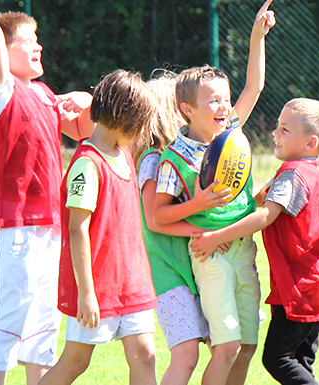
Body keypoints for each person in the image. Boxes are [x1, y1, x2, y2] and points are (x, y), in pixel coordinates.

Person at [0, 1, 94, 384]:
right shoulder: (1, 89)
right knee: (9, 313)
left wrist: (89, 100)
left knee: (44, 319)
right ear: (5, 50)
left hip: (49, 224)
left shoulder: (46, 94)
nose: (38, 47)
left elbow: (89, 129)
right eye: (29, 41)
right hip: (11, 221)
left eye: (38, 40)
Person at [149, 1, 276, 383]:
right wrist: (198, 206)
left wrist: (257, 37)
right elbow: (157, 216)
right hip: (210, 253)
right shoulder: (176, 157)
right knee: (226, 347)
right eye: (214, 100)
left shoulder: (228, 134)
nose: (224, 106)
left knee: (248, 345)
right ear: (187, 109)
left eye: (225, 98)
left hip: (241, 247)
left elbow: (254, 86)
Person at [190, 98, 319, 385]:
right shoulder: (305, 170)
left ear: (310, 143)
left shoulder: (292, 174)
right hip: (315, 285)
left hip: (300, 287)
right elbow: (258, 199)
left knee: (277, 358)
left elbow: (264, 216)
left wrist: (215, 237)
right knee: (300, 361)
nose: (275, 133)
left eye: (284, 129)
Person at [38, 70, 159, 385]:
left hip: (132, 284)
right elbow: (77, 229)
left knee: (145, 356)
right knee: (75, 362)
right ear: (125, 120)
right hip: (98, 287)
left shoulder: (124, 155)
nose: (141, 134)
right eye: (139, 125)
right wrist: (87, 294)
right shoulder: (87, 165)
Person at [133, 70, 215, 385]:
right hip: (168, 273)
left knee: (222, 346)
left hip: (189, 268)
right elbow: (155, 220)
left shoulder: (181, 158)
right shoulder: (153, 160)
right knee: (186, 355)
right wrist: (203, 233)